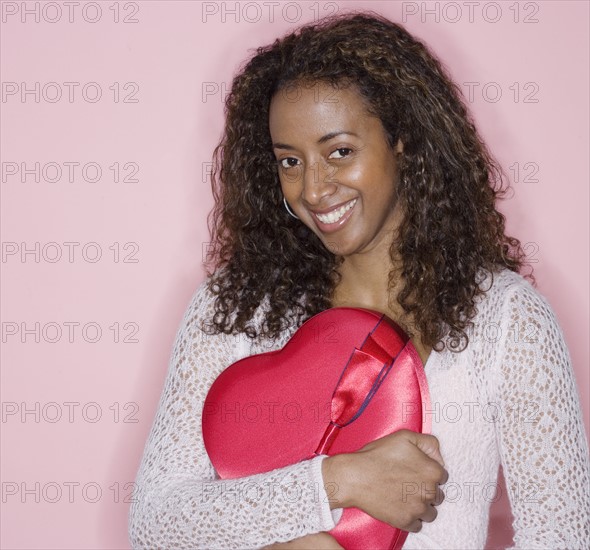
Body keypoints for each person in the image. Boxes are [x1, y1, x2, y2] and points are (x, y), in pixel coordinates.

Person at [128, 11, 590, 550]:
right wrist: (340, 480)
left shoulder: (508, 320)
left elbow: (559, 536)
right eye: (290, 161)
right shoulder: (234, 311)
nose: (314, 189)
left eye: (339, 152)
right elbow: (156, 524)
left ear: (403, 142)